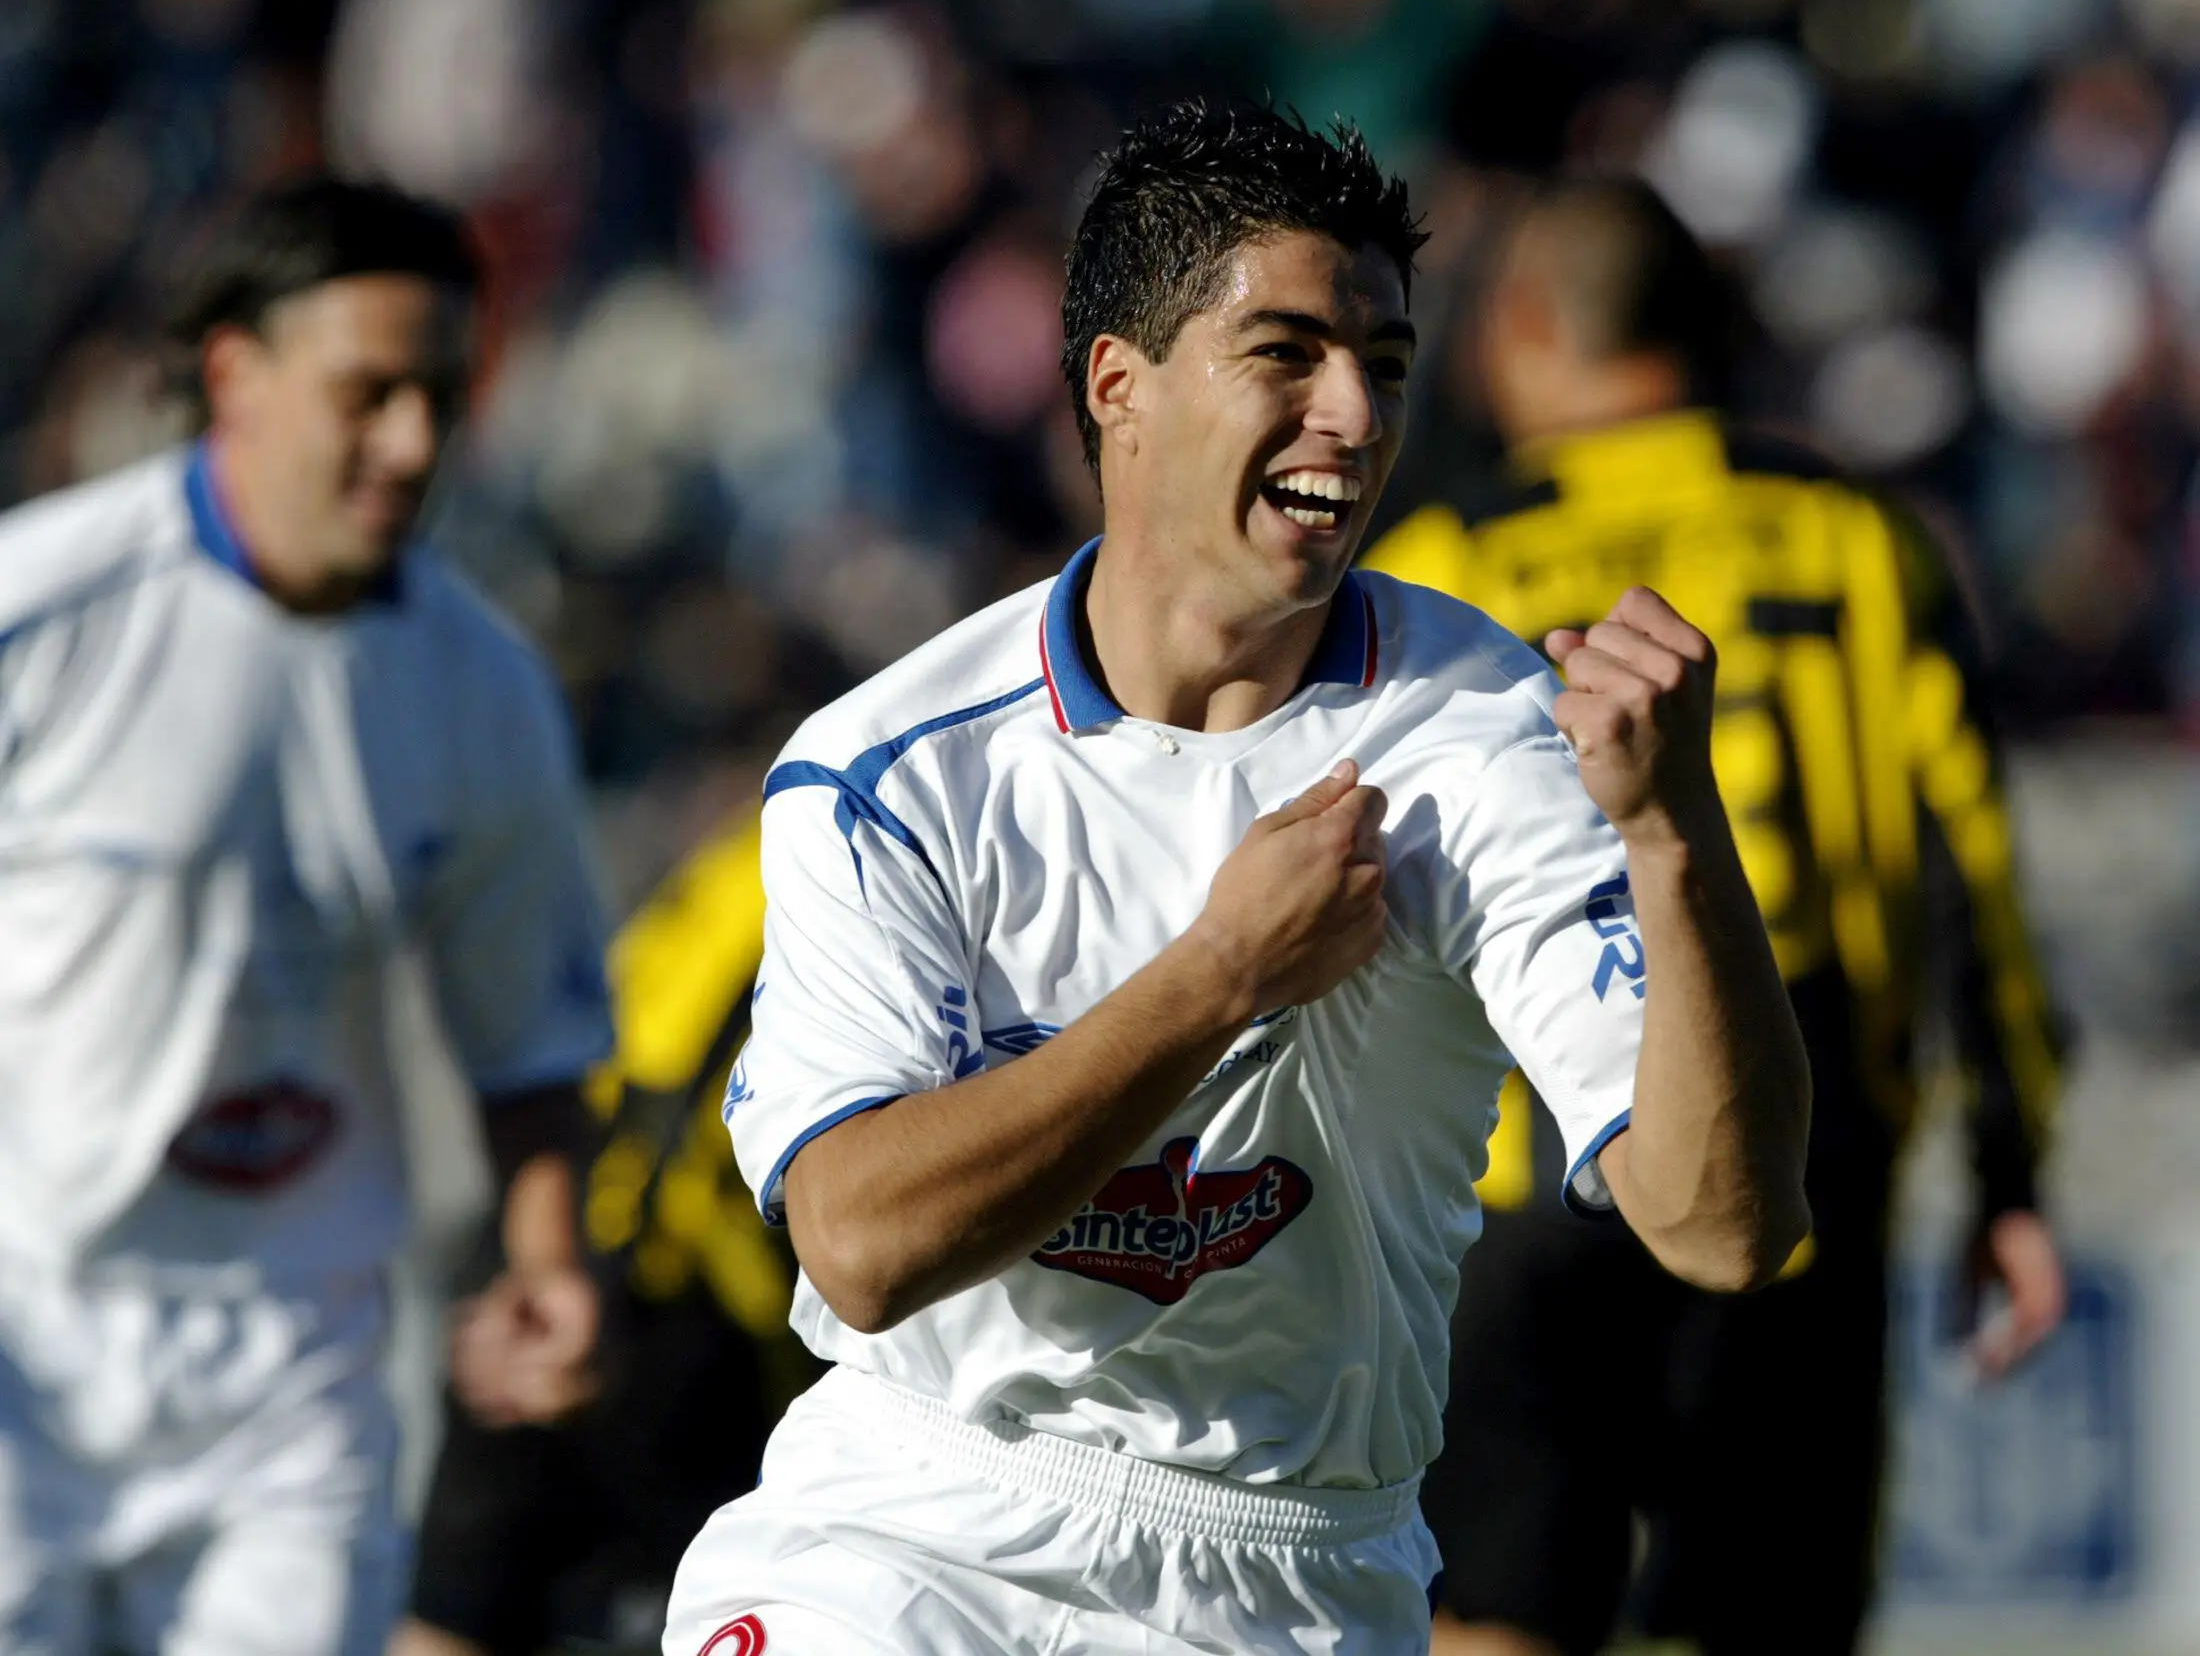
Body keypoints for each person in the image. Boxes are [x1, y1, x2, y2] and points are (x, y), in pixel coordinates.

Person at [660, 99, 1812, 1656]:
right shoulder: (891, 767)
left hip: (1295, 1575)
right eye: (1287, 351)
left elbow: (1724, 1224)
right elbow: (860, 1246)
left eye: (1385, 364)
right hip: (912, 1525)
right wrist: (1219, 976)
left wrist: (1678, 842)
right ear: (1118, 387)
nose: (1353, 411)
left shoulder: (1485, 737)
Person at [1361, 175, 2068, 1656]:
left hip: (1518, 1163)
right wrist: (2007, 1169)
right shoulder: (1863, 541)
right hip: (1798, 1151)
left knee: (1492, 1613)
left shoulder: (1440, 564)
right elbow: (1974, 875)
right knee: (1768, 1614)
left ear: (1526, 325)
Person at [0, 175, 615, 1656]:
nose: (411, 443)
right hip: (29, 1340)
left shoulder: (482, 688)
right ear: (235, 373)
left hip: (301, 1371)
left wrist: (549, 1260)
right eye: (367, 393)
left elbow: (528, 1036)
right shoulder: (41, 611)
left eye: (440, 398)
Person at [395, 809, 818, 1656]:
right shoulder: (878, 837)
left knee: (458, 1604)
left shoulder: (771, 833)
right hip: (674, 1298)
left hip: (552, 1230)